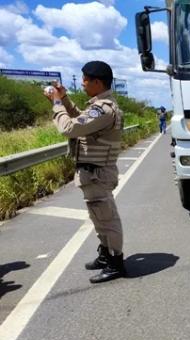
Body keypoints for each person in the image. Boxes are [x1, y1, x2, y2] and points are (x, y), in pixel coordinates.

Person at [44, 61, 126, 284]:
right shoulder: (99, 107)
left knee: (107, 219)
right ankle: (106, 254)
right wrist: (66, 101)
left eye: (85, 80)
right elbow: (82, 120)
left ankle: (116, 262)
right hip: (94, 174)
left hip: (98, 174)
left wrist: (57, 103)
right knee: (99, 217)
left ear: (97, 82)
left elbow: (69, 128)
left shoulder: (104, 108)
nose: (82, 83)